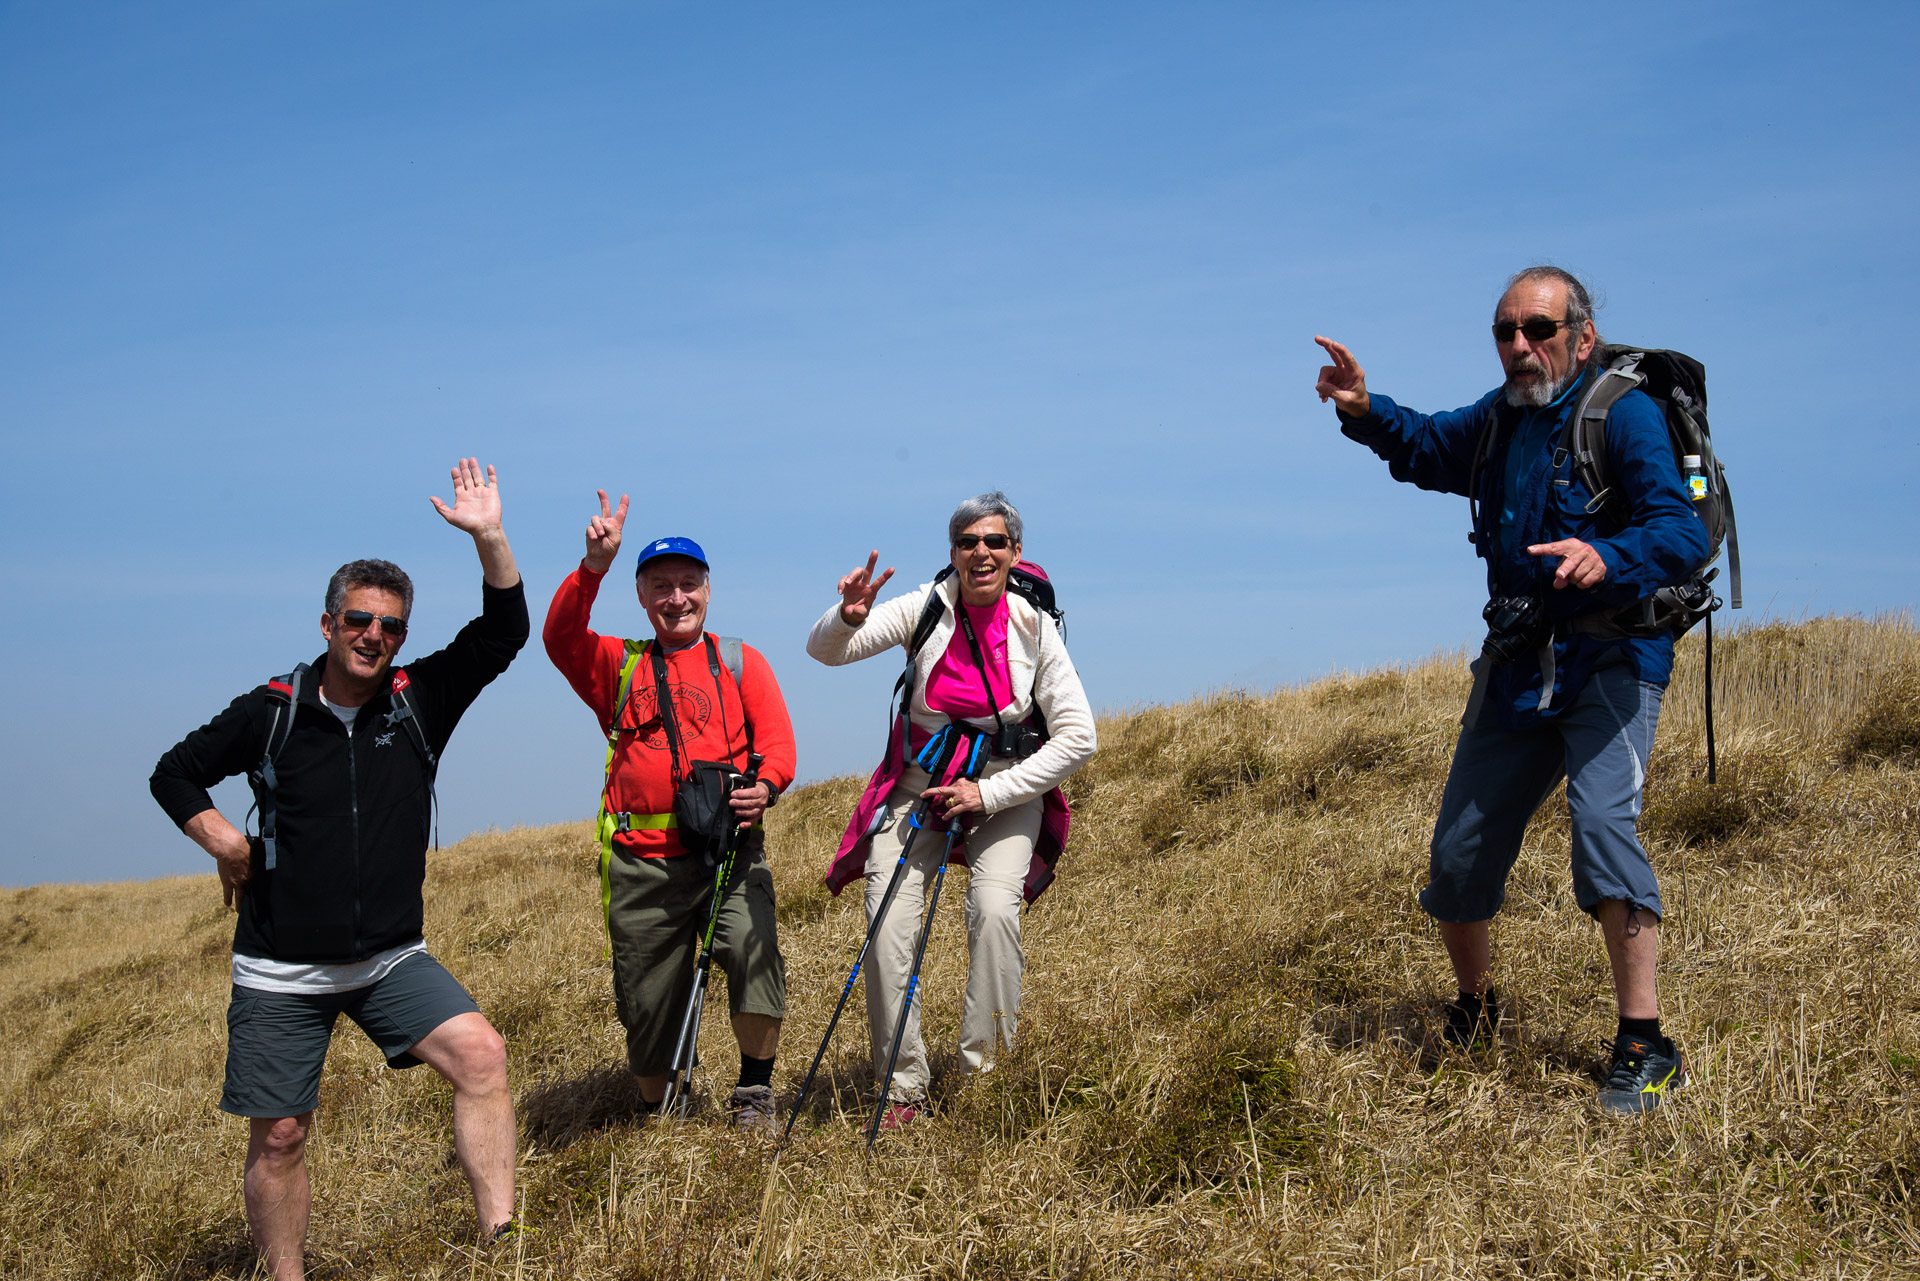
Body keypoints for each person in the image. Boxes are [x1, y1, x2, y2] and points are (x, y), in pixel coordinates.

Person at [1313, 267, 1710, 1114]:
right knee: (1458, 857)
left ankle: (1645, 1041)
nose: (1521, 347)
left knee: (1603, 826)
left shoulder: (1623, 414)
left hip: (1611, 656)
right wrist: (1361, 407)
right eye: (1506, 332)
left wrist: (1609, 557)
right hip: (1517, 664)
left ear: (1583, 334)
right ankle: (1477, 1007)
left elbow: (1678, 528)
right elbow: (1424, 444)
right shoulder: (1499, 422)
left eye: (1538, 329)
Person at [149, 459, 529, 1278]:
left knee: (483, 1057)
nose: (374, 636)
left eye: (391, 626)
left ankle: (501, 1244)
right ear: (327, 623)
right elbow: (173, 771)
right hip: (282, 969)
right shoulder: (272, 712)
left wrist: (489, 535)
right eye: (359, 619)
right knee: (281, 1134)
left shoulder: (416, 700)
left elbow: (503, 634)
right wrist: (224, 840)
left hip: (389, 958)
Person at [808, 491, 1096, 1128]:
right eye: (968, 542)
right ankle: (901, 1091)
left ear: (1016, 554)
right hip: (918, 789)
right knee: (886, 928)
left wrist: (988, 793)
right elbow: (825, 651)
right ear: (953, 554)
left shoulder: (1035, 628)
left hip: (1005, 792)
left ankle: (983, 1080)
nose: (981, 553)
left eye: (995, 542)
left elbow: (1080, 736)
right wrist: (848, 615)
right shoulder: (924, 608)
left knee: (994, 911)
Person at [543, 492, 797, 1131]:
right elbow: (560, 636)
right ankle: (663, 1105)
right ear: (641, 596)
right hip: (641, 867)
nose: (676, 598)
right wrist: (592, 567)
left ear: (708, 592)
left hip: (728, 854)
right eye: (661, 586)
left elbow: (779, 746)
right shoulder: (618, 666)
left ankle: (753, 1097)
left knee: (753, 950)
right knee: (647, 1006)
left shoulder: (739, 662)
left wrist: (763, 787)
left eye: (688, 584)